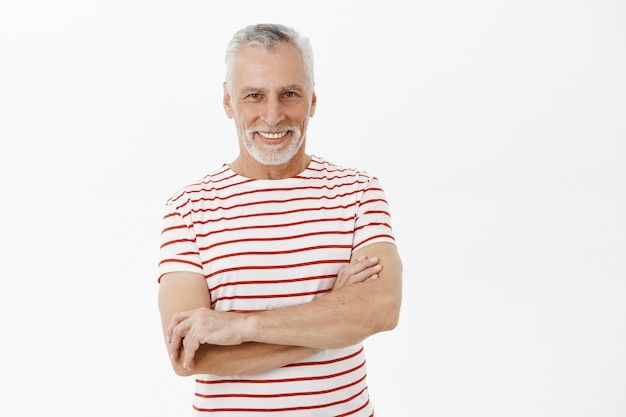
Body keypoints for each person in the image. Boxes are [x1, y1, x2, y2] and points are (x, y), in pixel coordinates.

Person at [157, 23, 403, 416]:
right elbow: (191, 356)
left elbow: (381, 309)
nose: (272, 116)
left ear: (312, 100)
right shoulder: (188, 209)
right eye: (254, 95)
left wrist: (240, 327)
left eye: (289, 94)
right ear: (227, 100)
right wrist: (332, 317)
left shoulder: (358, 192)